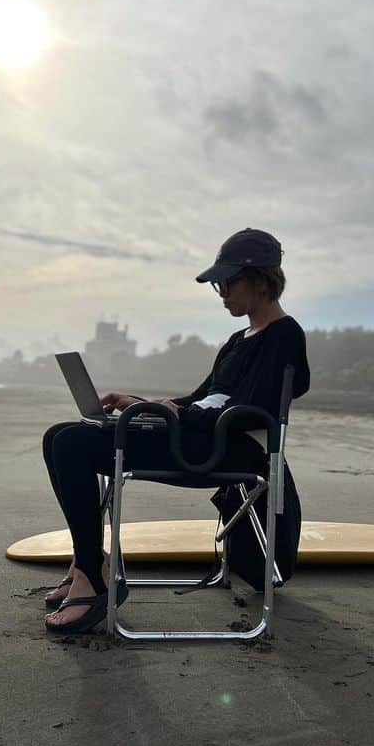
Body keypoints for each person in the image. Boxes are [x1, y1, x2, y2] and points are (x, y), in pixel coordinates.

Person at [41, 228, 310, 633]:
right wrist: (145, 404)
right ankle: (89, 560)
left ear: (259, 280)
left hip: (224, 451)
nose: (221, 292)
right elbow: (203, 397)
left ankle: (94, 580)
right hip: (201, 439)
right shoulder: (240, 339)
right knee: (57, 436)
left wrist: (176, 417)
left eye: (227, 282)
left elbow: (255, 411)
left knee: (73, 445)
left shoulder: (284, 335)